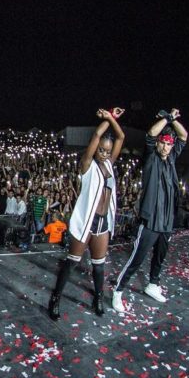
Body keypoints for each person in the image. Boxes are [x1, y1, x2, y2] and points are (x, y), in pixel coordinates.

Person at [48, 108, 125, 320]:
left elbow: (121, 136)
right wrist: (107, 118)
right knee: (72, 262)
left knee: (99, 267)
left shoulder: (109, 164)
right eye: (101, 150)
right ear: (95, 149)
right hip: (86, 221)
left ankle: (98, 298)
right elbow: (97, 135)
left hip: (102, 223)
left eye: (108, 151)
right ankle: (55, 298)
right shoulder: (87, 166)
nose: (105, 154)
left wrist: (112, 119)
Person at [112, 109, 188, 311]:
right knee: (137, 258)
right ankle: (118, 291)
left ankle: (153, 285)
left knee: (160, 257)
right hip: (149, 220)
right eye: (163, 143)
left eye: (168, 144)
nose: (165, 146)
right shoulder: (151, 157)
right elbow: (151, 134)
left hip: (166, 221)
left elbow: (183, 135)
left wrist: (175, 119)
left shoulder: (171, 159)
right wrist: (167, 118)